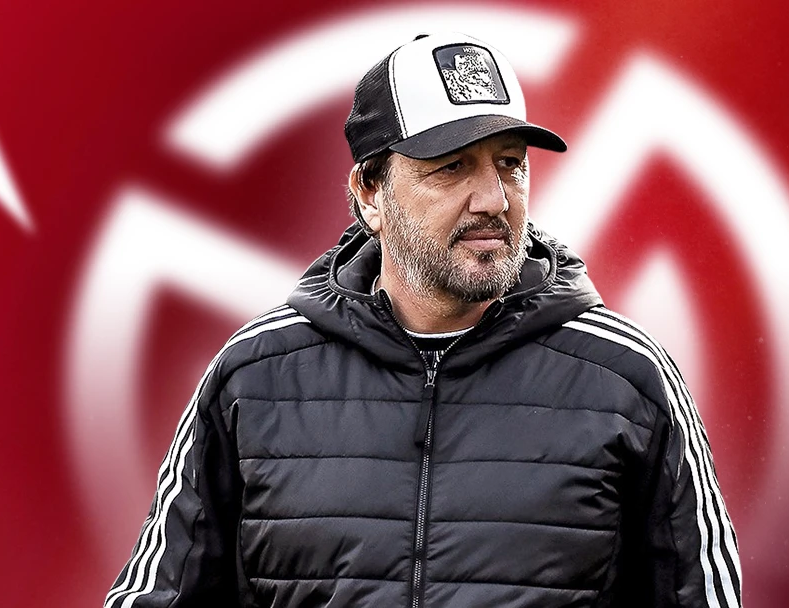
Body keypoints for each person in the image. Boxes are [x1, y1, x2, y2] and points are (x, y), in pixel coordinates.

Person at [104, 32, 742, 608]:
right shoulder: (254, 376)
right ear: (370, 193)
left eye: (510, 163)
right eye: (451, 167)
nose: (493, 198)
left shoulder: (628, 380)